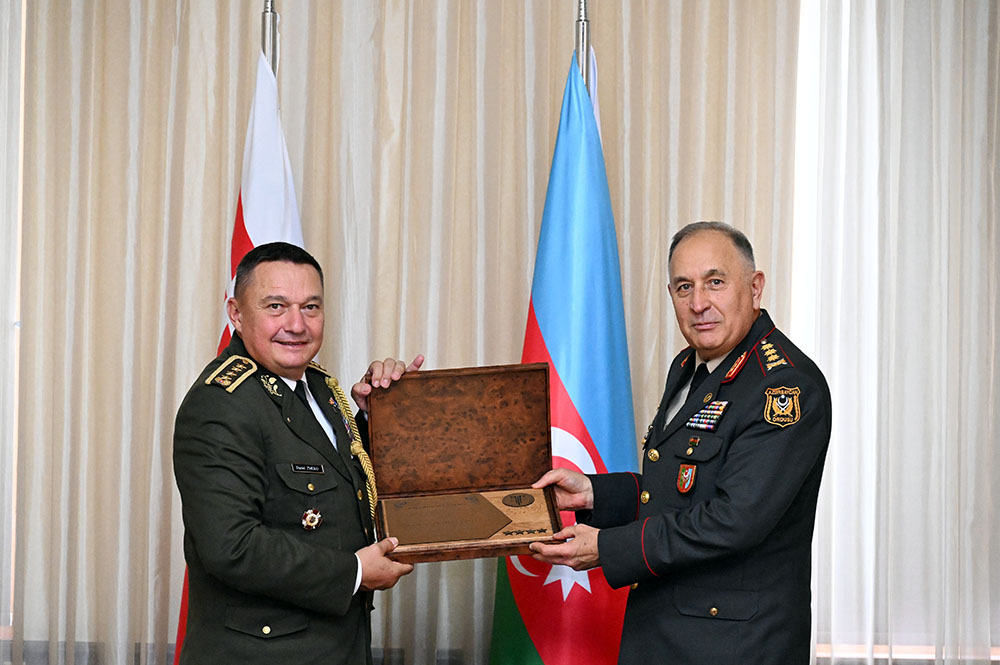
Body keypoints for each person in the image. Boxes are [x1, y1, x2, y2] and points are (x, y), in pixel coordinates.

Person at [530, 222, 832, 665]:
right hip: (667, 632)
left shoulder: (783, 387)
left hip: (734, 647)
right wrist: (595, 493)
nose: (699, 303)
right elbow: (682, 489)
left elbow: (734, 519)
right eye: (684, 287)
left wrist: (608, 548)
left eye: (715, 282)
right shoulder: (693, 365)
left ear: (755, 288)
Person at [173, 241, 422, 665]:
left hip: (337, 646)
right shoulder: (221, 404)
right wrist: (355, 573)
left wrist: (379, 417)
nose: (296, 325)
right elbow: (231, 546)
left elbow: (340, 485)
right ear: (236, 313)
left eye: (310, 307)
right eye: (276, 306)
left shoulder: (318, 387)